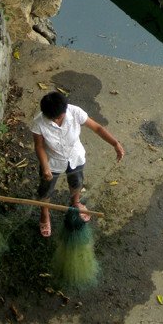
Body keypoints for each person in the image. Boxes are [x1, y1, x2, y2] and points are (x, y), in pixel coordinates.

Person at [31, 91, 125, 237]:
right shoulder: (38, 122)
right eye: (51, 118)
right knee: (45, 189)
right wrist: (45, 166)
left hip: (75, 156)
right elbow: (39, 146)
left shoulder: (75, 112)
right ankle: (44, 213)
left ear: (65, 110)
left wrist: (115, 143)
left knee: (77, 182)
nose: (56, 120)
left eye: (59, 117)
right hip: (52, 161)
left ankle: (75, 203)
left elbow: (97, 128)